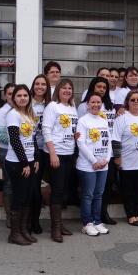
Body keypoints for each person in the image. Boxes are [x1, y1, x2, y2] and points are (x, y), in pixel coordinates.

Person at [78, 77, 117, 224]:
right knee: (88, 194)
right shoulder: (83, 116)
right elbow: (81, 141)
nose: (96, 104)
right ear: (88, 104)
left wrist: (106, 159)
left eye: (98, 102)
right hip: (89, 162)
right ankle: (87, 222)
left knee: (100, 193)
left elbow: (108, 139)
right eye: (93, 102)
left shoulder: (105, 115)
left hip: (104, 161)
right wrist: (94, 161)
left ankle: (98, 220)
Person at [42, 79, 78, 241]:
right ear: (58, 90)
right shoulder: (52, 106)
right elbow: (46, 129)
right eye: (64, 88)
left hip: (69, 153)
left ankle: (59, 223)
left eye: (70, 88)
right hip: (56, 154)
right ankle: (55, 228)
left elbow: (72, 129)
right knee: (57, 190)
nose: (67, 90)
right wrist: (52, 153)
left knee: (63, 190)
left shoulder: (72, 107)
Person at [4, 84, 39, 245]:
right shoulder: (13, 115)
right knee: (19, 197)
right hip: (17, 163)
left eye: (25, 95)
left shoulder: (29, 114)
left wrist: (36, 159)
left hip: (30, 161)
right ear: (14, 98)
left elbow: (32, 139)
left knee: (27, 196)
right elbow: (15, 140)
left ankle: (23, 230)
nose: (23, 98)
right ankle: (14, 234)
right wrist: (25, 163)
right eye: (19, 96)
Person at [112, 90, 138, 226]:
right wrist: (117, 157)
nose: (135, 102)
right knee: (128, 190)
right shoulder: (122, 118)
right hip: (127, 160)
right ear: (127, 102)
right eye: (132, 100)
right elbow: (115, 139)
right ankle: (130, 215)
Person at [29, 74, 51, 234]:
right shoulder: (27, 102)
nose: (40, 87)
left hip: (49, 150)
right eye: (37, 84)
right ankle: (33, 221)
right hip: (33, 151)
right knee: (34, 187)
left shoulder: (51, 104)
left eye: (43, 84)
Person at [0, 83, 15, 226]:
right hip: (6, 151)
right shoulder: (2, 112)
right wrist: (20, 140)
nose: (13, 96)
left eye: (16, 93)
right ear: (4, 96)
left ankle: (19, 214)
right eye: (9, 94)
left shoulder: (24, 110)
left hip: (22, 153)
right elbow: (1, 136)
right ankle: (10, 216)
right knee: (9, 183)